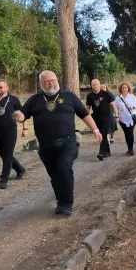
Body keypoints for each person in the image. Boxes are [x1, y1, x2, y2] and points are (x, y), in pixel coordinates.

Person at [12, 71, 102, 215]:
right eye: (46, 81)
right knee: (54, 175)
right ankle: (61, 202)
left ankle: (67, 204)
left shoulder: (69, 97)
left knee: (64, 168)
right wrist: (19, 115)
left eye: (52, 80)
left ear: (57, 80)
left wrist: (95, 130)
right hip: (45, 145)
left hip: (68, 142)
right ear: (41, 84)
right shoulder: (34, 100)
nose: (50, 83)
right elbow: (24, 114)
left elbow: (84, 114)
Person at [86, 79, 119, 161]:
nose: (95, 86)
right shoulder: (90, 96)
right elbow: (88, 108)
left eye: (96, 84)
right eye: (93, 85)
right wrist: (87, 118)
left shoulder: (106, 94)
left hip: (106, 118)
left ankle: (100, 152)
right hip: (96, 118)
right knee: (102, 134)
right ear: (91, 86)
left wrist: (116, 116)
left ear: (99, 85)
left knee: (104, 134)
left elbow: (113, 105)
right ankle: (107, 151)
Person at [115, 82, 136, 156]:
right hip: (122, 119)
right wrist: (116, 116)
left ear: (128, 89)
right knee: (126, 133)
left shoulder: (132, 96)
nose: (124, 89)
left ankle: (131, 149)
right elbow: (115, 108)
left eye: (125, 88)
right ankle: (129, 148)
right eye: (123, 88)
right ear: (120, 89)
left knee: (130, 132)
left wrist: (133, 106)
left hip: (131, 118)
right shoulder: (118, 98)